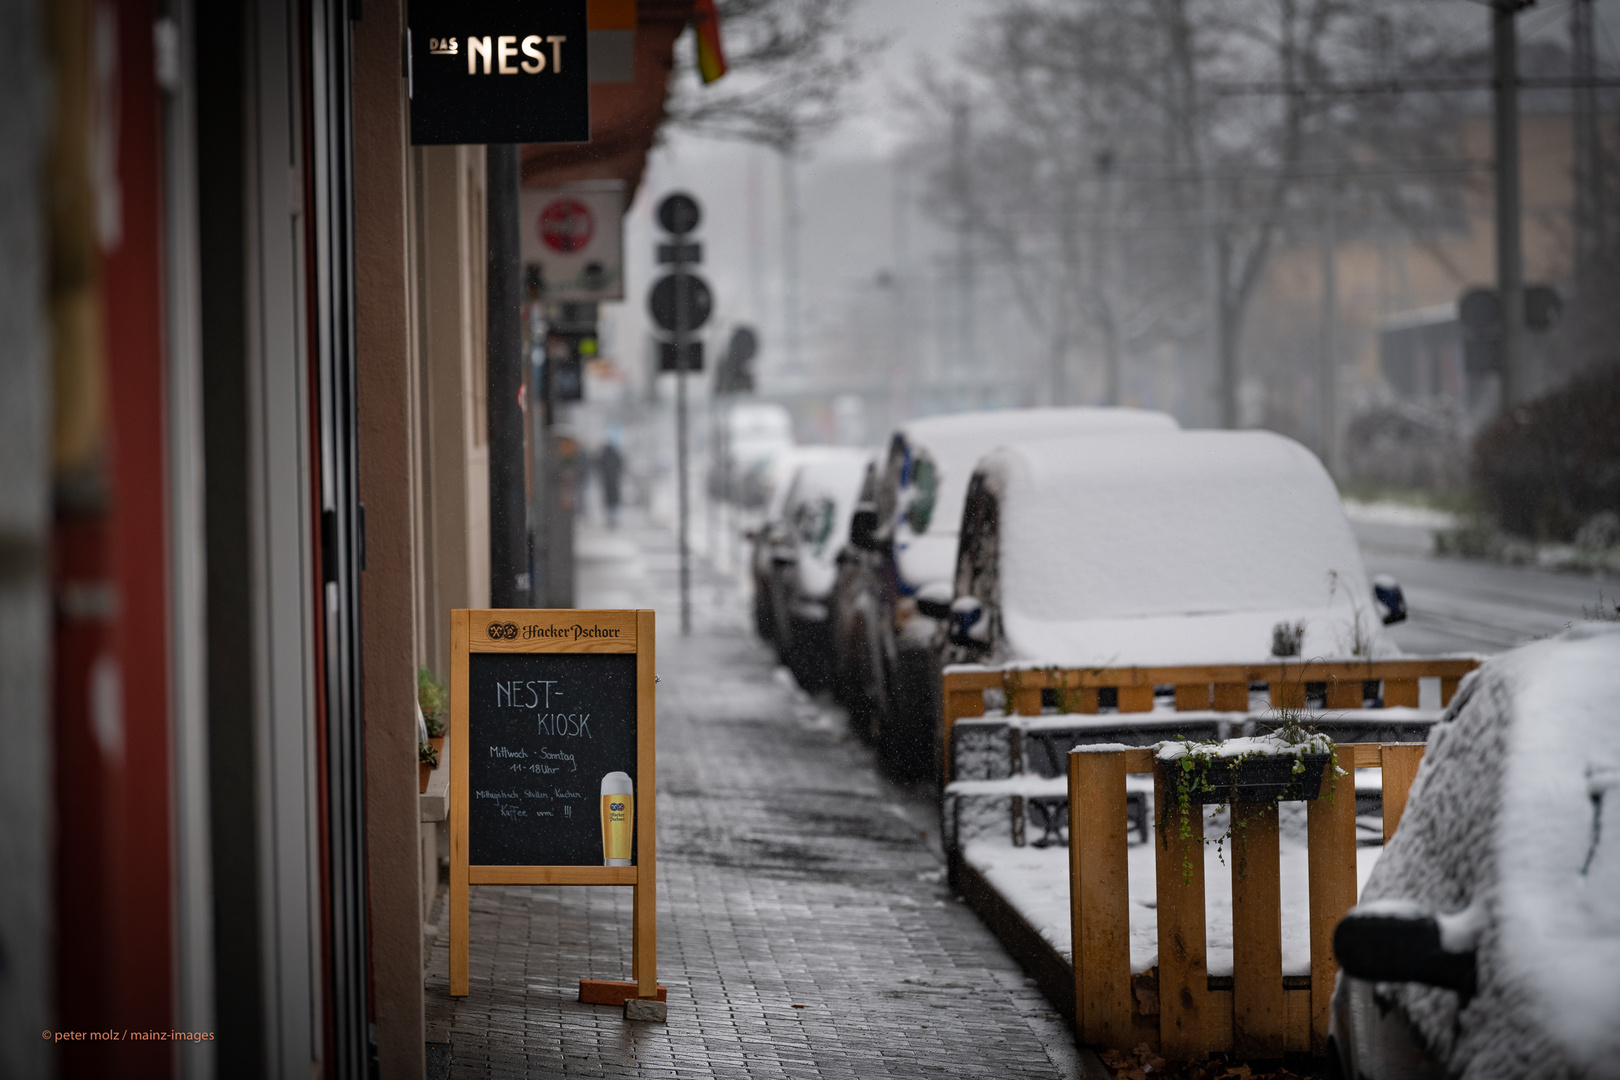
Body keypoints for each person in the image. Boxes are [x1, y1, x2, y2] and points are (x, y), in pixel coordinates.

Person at [598, 438, 624, 528]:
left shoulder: (604, 456)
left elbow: (599, 466)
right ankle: (612, 519)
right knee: (613, 501)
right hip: (614, 482)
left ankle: (610, 519)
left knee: (609, 501)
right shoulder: (614, 455)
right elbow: (621, 464)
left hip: (607, 482)